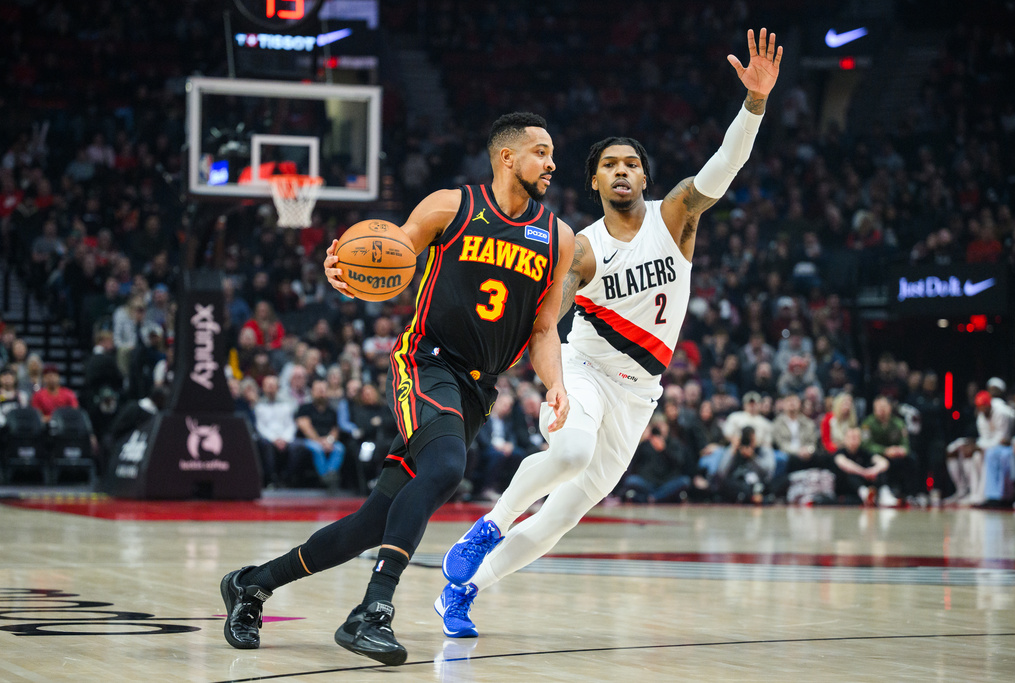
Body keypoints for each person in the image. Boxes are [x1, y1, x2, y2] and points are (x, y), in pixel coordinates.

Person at [435, 28, 781, 638]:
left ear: (644, 177)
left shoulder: (676, 218)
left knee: (563, 518)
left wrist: (753, 103)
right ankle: (488, 524)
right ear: (593, 182)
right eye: (608, 165)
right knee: (568, 451)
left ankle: (461, 593)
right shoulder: (583, 249)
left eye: (631, 163)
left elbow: (724, 166)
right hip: (584, 375)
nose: (621, 171)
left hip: (639, 395)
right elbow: (548, 315)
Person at [219, 111, 573, 665]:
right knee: (444, 467)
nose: (552, 163)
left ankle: (252, 585)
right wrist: (348, 276)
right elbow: (393, 255)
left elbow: (546, 327)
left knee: (372, 523)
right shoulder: (450, 206)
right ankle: (372, 611)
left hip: (479, 390)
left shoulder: (558, 237)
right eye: (541, 152)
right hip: (426, 361)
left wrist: (555, 383)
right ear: (507, 157)